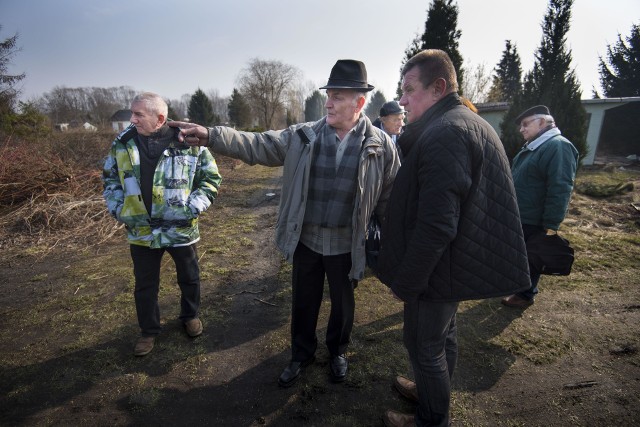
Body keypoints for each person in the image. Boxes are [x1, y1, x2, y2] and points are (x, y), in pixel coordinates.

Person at [169, 60, 401, 386]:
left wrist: (392, 243)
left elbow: (391, 198)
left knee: (343, 305)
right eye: (328, 95)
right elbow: (258, 144)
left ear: (360, 103)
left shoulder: (381, 146)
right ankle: (301, 354)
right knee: (303, 302)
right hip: (305, 239)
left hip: (347, 243)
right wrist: (211, 135)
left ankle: (337, 351)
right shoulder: (303, 136)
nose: (329, 102)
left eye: (337, 96)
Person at [376, 49, 531, 427]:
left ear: (439, 87)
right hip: (453, 264)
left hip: (439, 268)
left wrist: (407, 282)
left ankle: (431, 419)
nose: (403, 100)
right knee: (443, 337)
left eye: (409, 90)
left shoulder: (448, 133)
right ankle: (429, 392)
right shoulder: (463, 122)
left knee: (424, 344)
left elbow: (437, 224)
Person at [102, 92, 222, 357]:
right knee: (145, 284)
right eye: (132, 113)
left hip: (181, 227)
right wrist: (119, 208)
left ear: (160, 118)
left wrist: (194, 207)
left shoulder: (189, 141)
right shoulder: (122, 143)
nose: (131, 120)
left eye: (138, 115)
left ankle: (190, 316)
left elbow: (211, 177)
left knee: (189, 276)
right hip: (141, 229)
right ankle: (148, 331)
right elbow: (110, 178)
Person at [501, 105, 579, 308]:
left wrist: (551, 224)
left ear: (542, 122)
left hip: (534, 219)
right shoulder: (535, 146)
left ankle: (526, 294)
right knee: (521, 255)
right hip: (521, 215)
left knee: (533, 255)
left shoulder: (558, 147)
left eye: (526, 124)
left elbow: (561, 187)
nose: (521, 129)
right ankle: (518, 287)